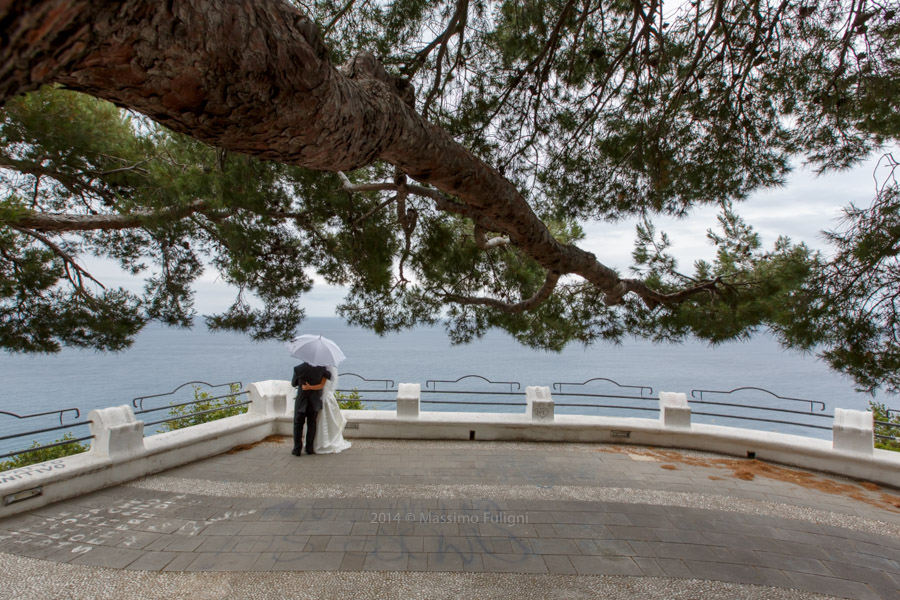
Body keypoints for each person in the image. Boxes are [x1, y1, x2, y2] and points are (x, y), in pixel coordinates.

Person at [291, 361, 330, 456]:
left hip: (301, 400)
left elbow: (293, 384)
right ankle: (309, 448)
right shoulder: (321, 368)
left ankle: (297, 449)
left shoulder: (298, 368)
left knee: (298, 424)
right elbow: (329, 376)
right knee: (311, 423)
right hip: (314, 401)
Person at [312, 366, 352, 454]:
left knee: (322, 421)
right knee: (328, 421)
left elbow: (321, 385)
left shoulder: (325, 373)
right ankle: (323, 441)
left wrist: (308, 387)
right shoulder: (329, 372)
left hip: (323, 399)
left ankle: (321, 442)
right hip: (328, 398)